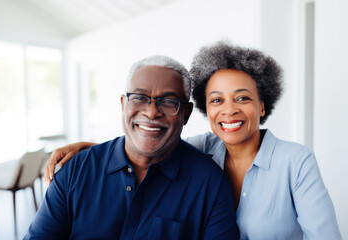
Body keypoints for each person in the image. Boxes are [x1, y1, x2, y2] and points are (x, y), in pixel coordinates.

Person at [45, 41, 342, 239]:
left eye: (243, 98)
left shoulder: (296, 162)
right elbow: (150, 145)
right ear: (204, 109)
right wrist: (90, 152)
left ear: (262, 105)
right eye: (217, 100)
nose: (229, 109)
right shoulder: (206, 148)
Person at [25, 55, 237, 239]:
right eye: (139, 98)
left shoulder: (210, 184)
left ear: (187, 113)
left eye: (169, 101)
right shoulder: (75, 171)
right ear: (123, 104)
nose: (152, 112)